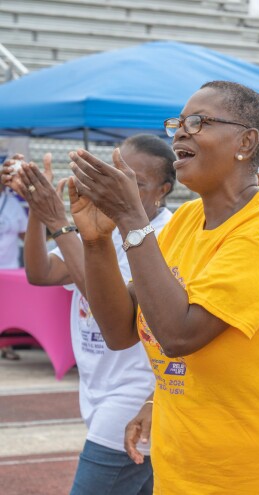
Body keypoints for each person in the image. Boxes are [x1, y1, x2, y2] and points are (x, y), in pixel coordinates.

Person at [67, 81, 259, 493]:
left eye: (198, 122)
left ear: (246, 142)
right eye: (178, 123)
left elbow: (180, 335)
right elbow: (120, 331)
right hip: (187, 465)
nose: (180, 132)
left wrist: (131, 220)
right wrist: (96, 240)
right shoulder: (185, 220)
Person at [3, 136, 175, 495]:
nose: (121, 189)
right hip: (98, 383)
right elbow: (41, 272)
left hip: (136, 389)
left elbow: (112, 308)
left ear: (164, 190)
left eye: (136, 183)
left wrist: (58, 220)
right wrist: (38, 210)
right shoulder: (102, 222)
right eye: (116, 177)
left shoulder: (165, 235)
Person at [0, 168, 28, 360]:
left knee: (5, 309)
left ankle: (6, 346)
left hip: (8, 268)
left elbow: (24, 233)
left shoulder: (13, 205)